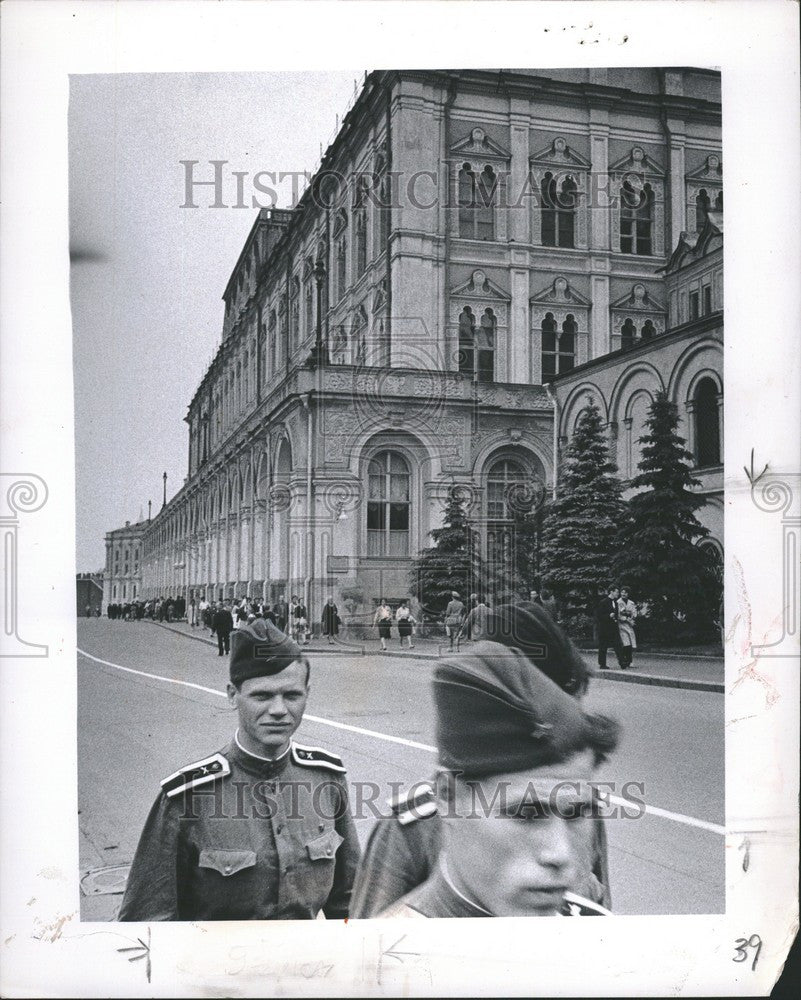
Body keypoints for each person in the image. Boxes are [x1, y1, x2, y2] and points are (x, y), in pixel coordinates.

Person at [350, 604, 612, 918]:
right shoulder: (415, 825)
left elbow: (598, 917)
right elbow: (372, 943)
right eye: (526, 814)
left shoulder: (577, 806)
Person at [119, 619, 361, 920]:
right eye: (262, 695)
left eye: (292, 695)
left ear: (307, 694)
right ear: (233, 695)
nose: (278, 710)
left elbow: (351, 905)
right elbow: (148, 920)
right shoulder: (187, 798)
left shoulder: (327, 780)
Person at [595, 585, 624, 670]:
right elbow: (599, 616)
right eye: (616, 592)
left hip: (613, 627)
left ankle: (622, 662)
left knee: (618, 645)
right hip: (604, 628)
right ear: (611, 591)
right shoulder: (603, 602)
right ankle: (602, 664)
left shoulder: (615, 603)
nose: (618, 594)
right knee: (603, 646)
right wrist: (608, 616)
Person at [617, 586, 638, 670]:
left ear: (628, 594)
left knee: (631, 644)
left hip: (630, 626)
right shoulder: (618, 602)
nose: (623, 594)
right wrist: (626, 619)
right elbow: (618, 615)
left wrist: (632, 618)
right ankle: (626, 660)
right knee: (626, 644)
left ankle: (630, 661)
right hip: (622, 625)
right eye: (622, 592)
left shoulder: (631, 603)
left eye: (625, 592)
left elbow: (634, 613)